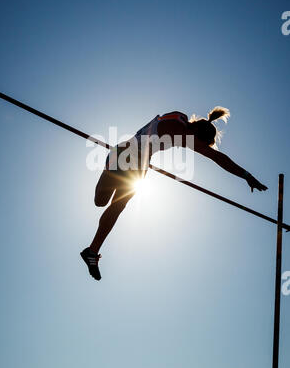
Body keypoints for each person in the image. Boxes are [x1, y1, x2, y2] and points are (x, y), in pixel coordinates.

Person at [80, 107, 267, 280]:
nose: (198, 149)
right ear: (198, 136)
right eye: (201, 145)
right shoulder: (183, 130)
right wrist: (245, 175)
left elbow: (216, 156)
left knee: (108, 204)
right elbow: (216, 156)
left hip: (125, 154)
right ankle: (92, 251)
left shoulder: (182, 123)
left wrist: (245, 175)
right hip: (129, 156)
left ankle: (92, 252)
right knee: (107, 204)